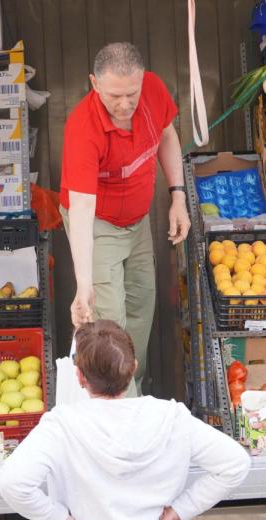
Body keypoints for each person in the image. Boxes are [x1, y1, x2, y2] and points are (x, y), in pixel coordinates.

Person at [0, 320, 251, 520]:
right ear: (133, 370)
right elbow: (235, 464)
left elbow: (12, 483)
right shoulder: (171, 416)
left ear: (80, 377)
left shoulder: (61, 424)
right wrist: (182, 509)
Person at [60, 42, 191, 396]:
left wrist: (177, 196)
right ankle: (119, 413)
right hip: (97, 225)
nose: (124, 104)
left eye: (131, 93)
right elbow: (82, 210)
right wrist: (83, 283)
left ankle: (134, 393)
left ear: (142, 80)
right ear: (94, 84)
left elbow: (166, 134)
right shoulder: (82, 129)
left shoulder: (154, 89)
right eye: (114, 96)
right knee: (110, 323)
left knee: (140, 314)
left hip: (137, 221)